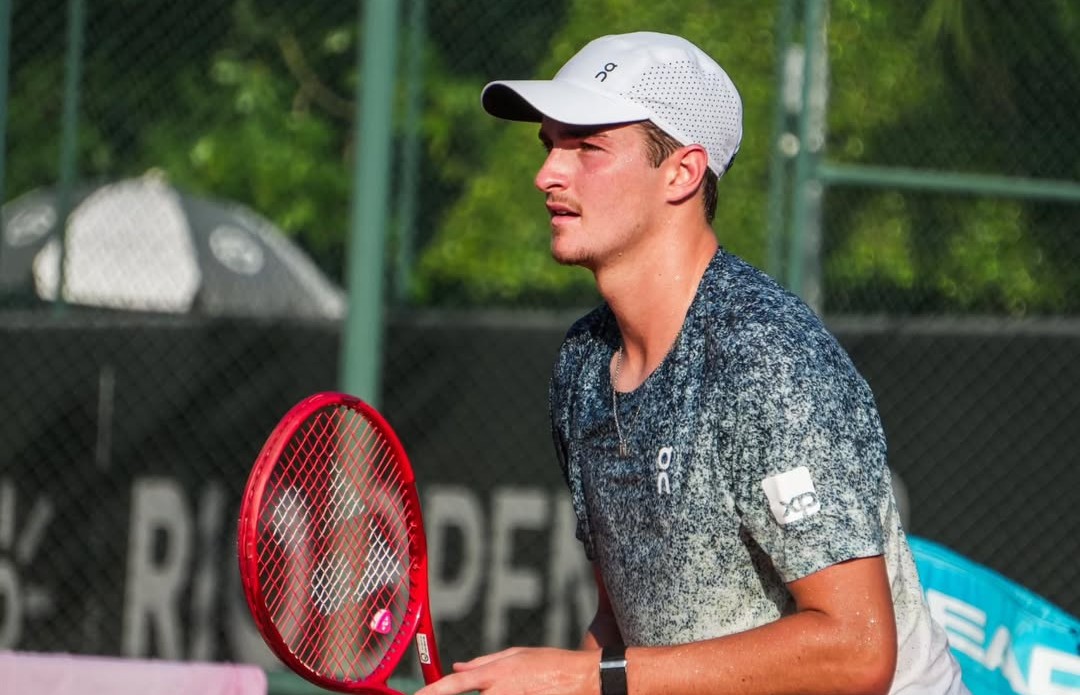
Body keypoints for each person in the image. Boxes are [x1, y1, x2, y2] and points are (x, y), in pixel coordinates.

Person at [416, 31, 968, 695]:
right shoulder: (583, 364)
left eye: (587, 146)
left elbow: (856, 650)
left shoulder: (765, 355)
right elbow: (624, 629)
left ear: (681, 173)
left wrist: (583, 677)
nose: (548, 174)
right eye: (550, 144)